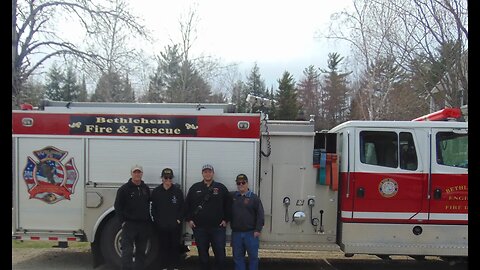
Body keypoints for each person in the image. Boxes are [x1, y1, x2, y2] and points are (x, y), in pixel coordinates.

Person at [185, 164, 230, 270]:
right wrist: (189, 219)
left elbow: (228, 205)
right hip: (200, 228)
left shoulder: (221, 188)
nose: (207, 173)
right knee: (203, 255)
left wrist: (226, 219)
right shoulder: (195, 188)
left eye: (209, 171)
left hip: (218, 228)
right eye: (205, 172)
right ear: (202, 173)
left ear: (213, 173)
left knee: (220, 254)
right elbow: (187, 205)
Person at [114, 165, 152, 270]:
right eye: (135, 172)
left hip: (143, 225)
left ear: (142, 174)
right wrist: (123, 221)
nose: (137, 174)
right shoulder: (124, 189)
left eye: (139, 172)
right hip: (129, 224)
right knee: (127, 251)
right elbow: (117, 206)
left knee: (141, 251)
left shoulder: (145, 188)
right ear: (131, 174)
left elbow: (149, 204)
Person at [151, 168, 185, 270]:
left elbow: (182, 208)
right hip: (161, 226)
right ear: (162, 178)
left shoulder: (177, 191)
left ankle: (175, 267)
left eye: (170, 178)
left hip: (175, 226)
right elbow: (153, 208)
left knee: (175, 247)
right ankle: (164, 266)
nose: (168, 180)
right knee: (163, 247)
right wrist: (157, 221)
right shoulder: (156, 192)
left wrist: (178, 220)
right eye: (166, 178)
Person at [230, 174, 264, 270]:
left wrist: (258, 229)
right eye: (238, 183)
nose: (241, 185)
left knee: (253, 258)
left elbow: (260, 215)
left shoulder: (254, 198)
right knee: (237, 258)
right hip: (236, 233)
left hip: (251, 233)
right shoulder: (233, 197)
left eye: (243, 182)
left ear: (247, 183)